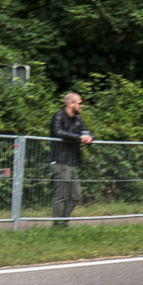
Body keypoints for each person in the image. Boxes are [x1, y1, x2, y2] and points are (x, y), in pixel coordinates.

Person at [49, 92, 93, 226]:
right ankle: (58, 225)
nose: (81, 106)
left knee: (76, 196)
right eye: (79, 103)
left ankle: (63, 221)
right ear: (70, 104)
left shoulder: (77, 118)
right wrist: (79, 138)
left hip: (72, 161)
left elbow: (85, 131)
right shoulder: (58, 116)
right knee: (61, 195)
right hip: (60, 161)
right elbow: (58, 132)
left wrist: (89, 137)